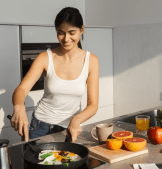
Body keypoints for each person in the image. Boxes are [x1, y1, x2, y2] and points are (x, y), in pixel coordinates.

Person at [10, 7, 99, 143]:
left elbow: (93, 105)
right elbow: (21, 90)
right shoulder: (45, 58)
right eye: (61, 33)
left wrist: (77, 119)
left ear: (82, 29)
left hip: (70, 128)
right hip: (40, 127)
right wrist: (19, 107)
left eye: (71, 33)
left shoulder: (91, 61)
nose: (66, 38)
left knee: (67, 163)